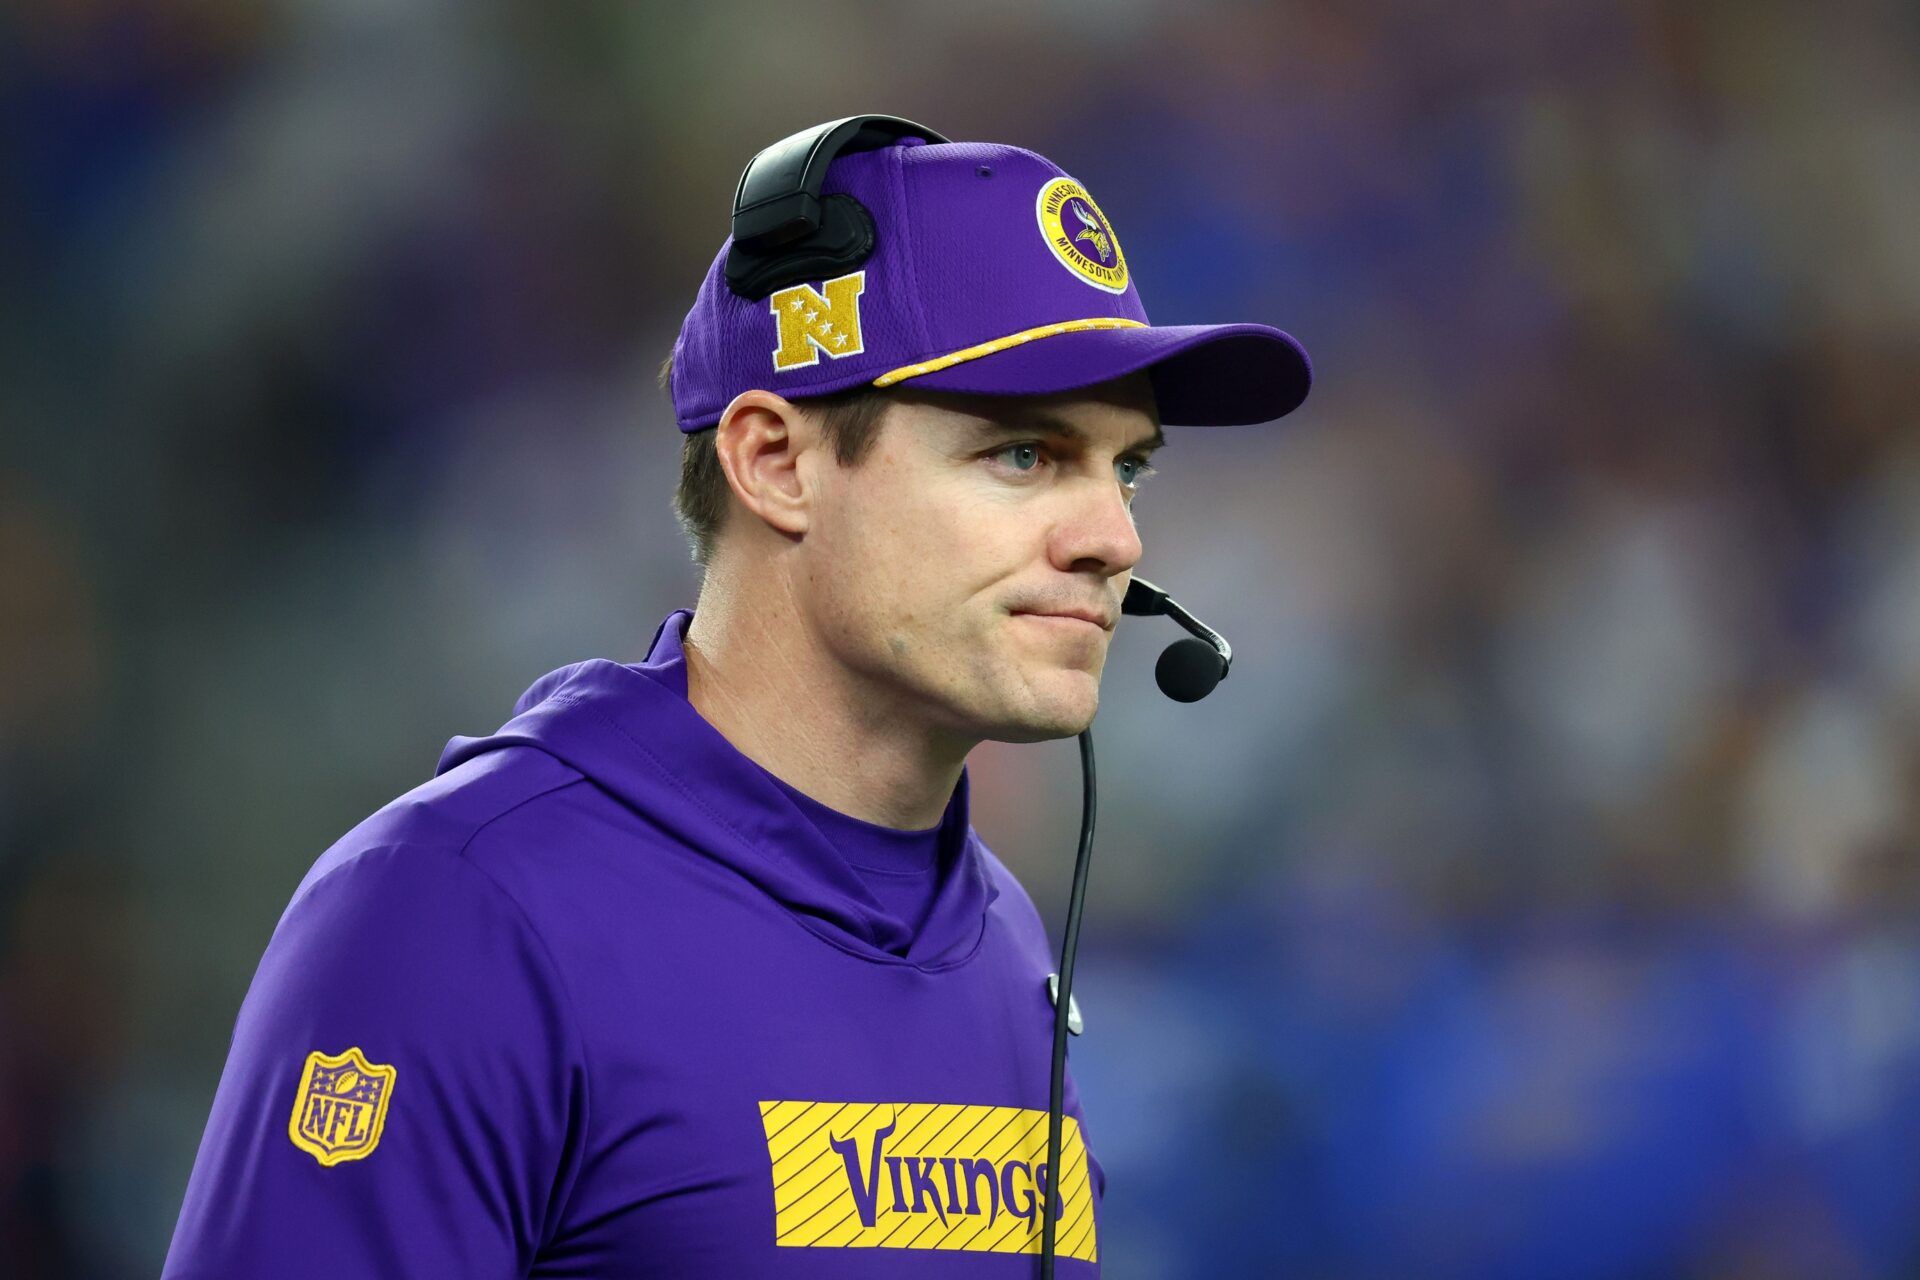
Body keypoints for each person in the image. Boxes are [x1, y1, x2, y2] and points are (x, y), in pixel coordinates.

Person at [160, 117, 1309, 1277]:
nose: (1114, 536)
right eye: (1023, 453)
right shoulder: (459, 912)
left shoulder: (1010, 944)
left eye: (1130, 467)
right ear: (773, 461)